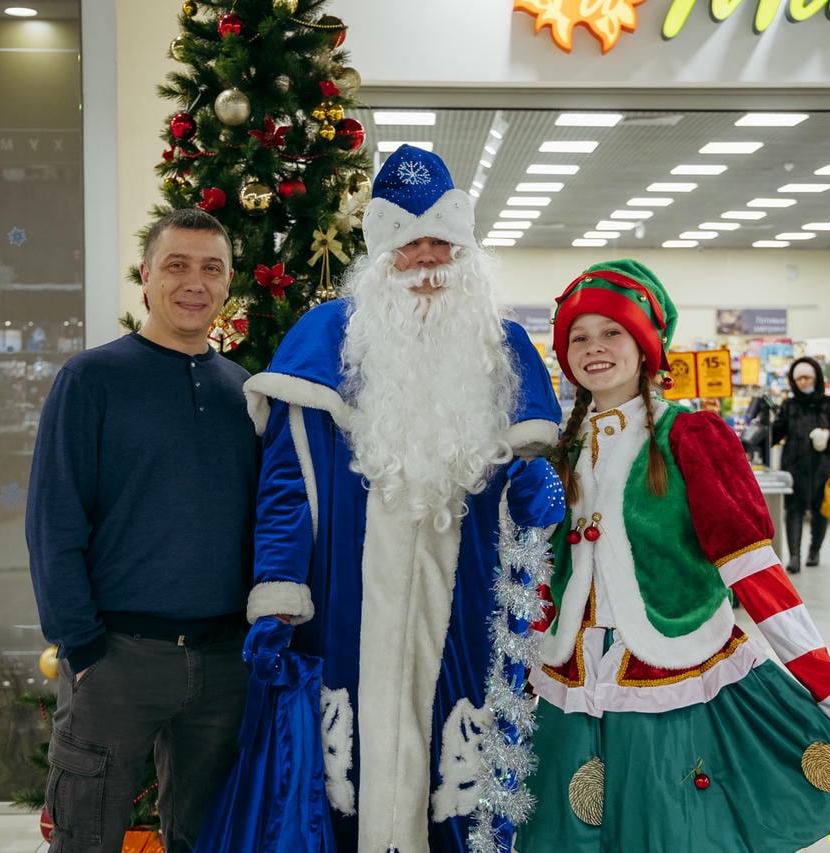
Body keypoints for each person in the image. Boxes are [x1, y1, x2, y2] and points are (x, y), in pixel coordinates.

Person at [238, 144, 564, 852]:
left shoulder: (504, 351)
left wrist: (534, 493)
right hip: (344, 606)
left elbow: (530, 491)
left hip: (464, 606)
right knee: (342, 788)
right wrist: (279, 592)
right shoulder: (326, 342)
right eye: (408, 245)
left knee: (454, 782)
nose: (425, 260)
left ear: (465, 251)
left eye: (440, 243)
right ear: (380, 256)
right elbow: (287, 486)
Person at [516, 260, 830, 853]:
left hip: (670, 680)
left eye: (612, 331)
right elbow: (543, 574)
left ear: (645, 345)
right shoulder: (560, 450)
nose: (594, 348)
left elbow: (757, 576)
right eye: (579, 337)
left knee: (668, 833)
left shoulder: (692, 437)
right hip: (569, 683)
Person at [25, 208, 258, 853]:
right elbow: (53, 520)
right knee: (85, 837)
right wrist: (81, 649)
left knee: (209, 841)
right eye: (177, 265)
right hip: (116, 660)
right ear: (146, 275)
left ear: (228, 282)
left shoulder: (244, 392)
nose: (195, 282)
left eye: (212, 268)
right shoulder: (91, 379)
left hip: (224, 665)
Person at [772, 356, 830, 573]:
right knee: (793, 510)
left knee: (820, 511)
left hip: (823, 467)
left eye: (807, 377)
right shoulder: (789, 405)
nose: (803, 382)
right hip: (794, 466)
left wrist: (829, 436)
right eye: (799, 379)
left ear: (816, 378)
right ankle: (794, 556)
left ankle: (815, 551)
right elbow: (776, 433)